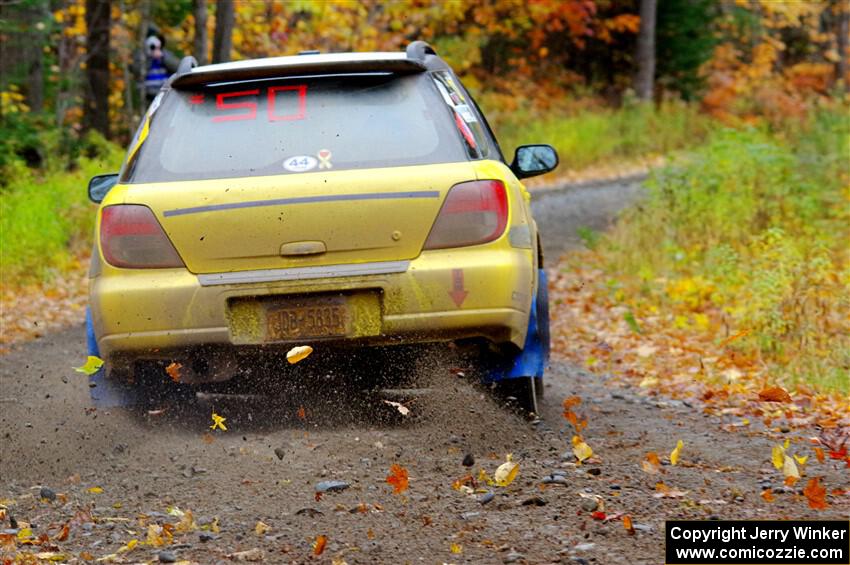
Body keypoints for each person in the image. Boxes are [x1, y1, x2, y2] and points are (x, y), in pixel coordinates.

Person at [135, 28, 179, 107]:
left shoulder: (166, 54)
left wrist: (163, 57)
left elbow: (177, 67)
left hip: (166, 94)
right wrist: (149, 57)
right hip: (148, 97)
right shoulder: (141, 56)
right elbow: (137, 71)